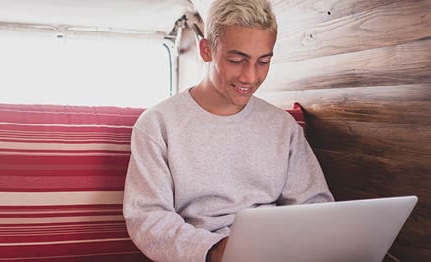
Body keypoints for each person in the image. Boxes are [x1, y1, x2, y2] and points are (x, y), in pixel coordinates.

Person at [123, 0, 334, 261]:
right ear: (206, 50)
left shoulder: (283, 126)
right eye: (237, 60)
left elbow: (315, 206)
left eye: (263, 62)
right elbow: (147, 219)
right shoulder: (157, 124)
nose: (250, 77)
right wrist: (214, 251)